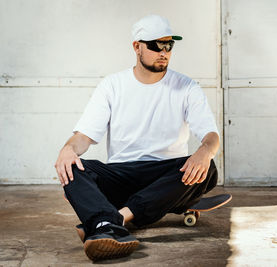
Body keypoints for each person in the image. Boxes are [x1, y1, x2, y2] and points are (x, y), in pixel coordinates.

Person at [54, 14, 220, 261]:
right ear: (137, 47)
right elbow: (84, 137)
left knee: (208, 168)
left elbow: (211, 135)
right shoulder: (112, 85)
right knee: (73, 168)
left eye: (169, 45)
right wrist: (68, 149)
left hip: (167, 176)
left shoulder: (187, 87)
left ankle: (110, 221)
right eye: (156, 45)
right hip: (123, 174)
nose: (163, 52)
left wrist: (205, 151)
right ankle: (117, 217)